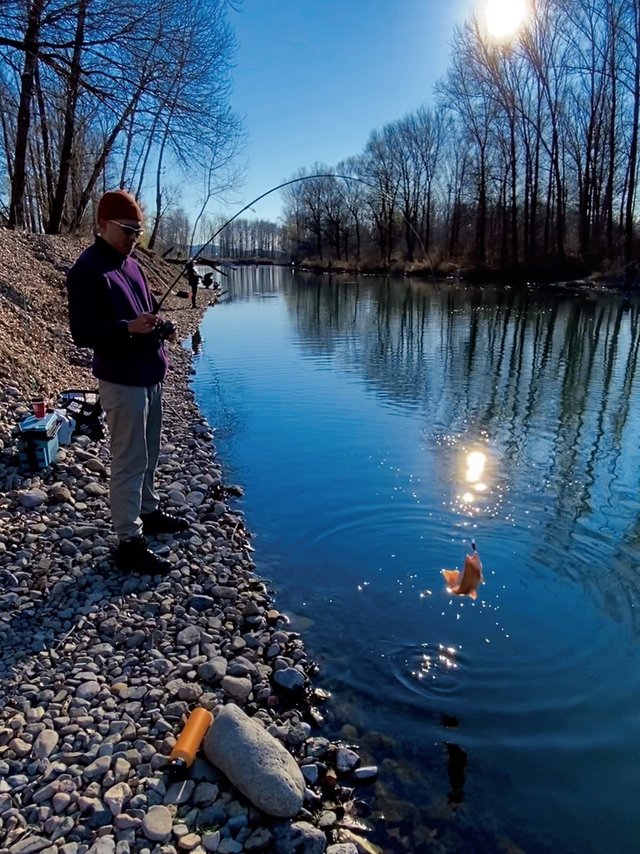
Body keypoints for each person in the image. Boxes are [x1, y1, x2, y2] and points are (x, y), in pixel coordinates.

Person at [66, 189, 188, 574]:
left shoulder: (131, 264)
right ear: (101, 225)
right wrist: (127, 328)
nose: (134, 238)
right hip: (122, 381)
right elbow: (82, 333)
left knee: (149, 453)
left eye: (138, 231)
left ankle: (148, 512)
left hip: (151, 373)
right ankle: (128, 541)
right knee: (129, 460)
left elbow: (146, 310)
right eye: (127, 230)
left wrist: (162, 327)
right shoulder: (87, 271)